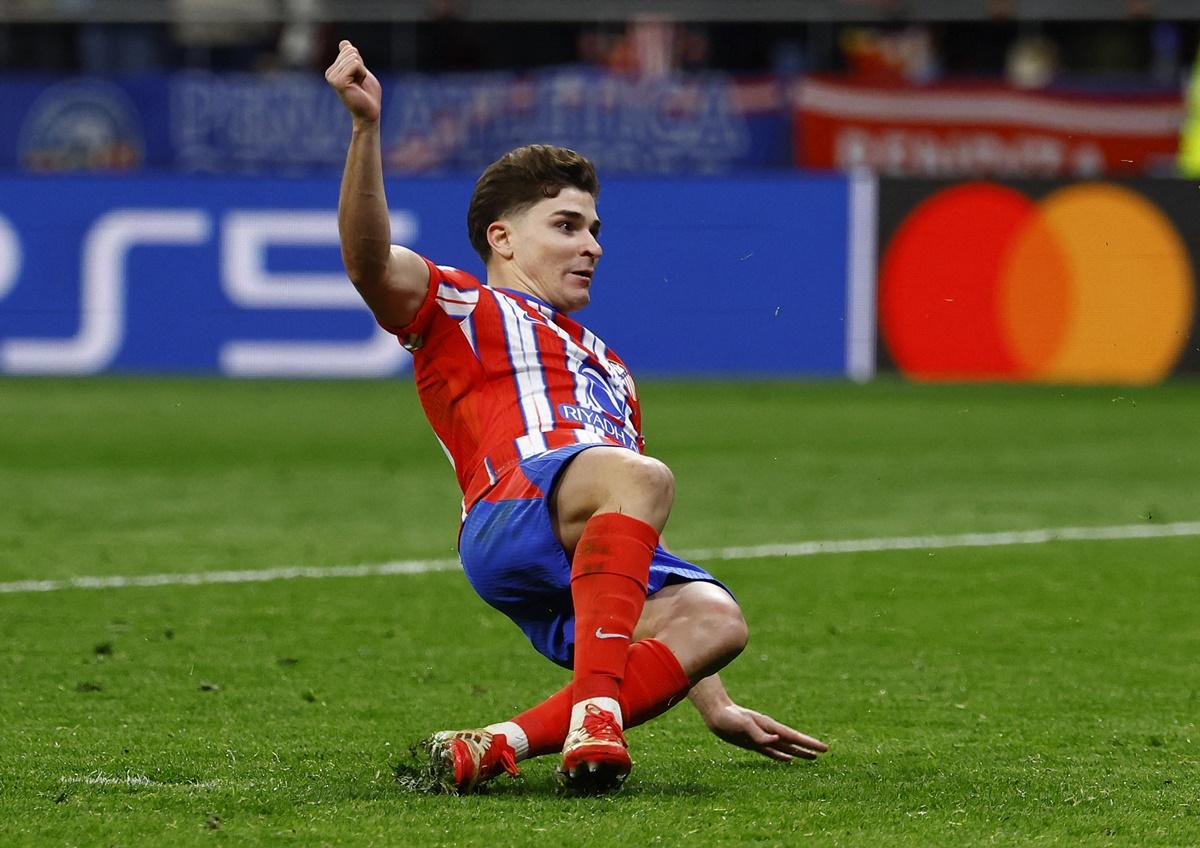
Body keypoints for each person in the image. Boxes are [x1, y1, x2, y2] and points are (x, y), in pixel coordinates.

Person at [325, 40, 828, 794]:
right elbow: (368, 262)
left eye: (594, 230)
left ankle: (493, 744)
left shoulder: (611, 370)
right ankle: (598, 707)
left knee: (717, 622)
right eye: (567, 226)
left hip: (579, 538)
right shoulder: (463, 304)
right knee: (641, 476)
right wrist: (366, 132)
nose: (591, 246)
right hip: (512, 509)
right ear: (503, 237)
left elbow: (627, 538)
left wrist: (709, 697)